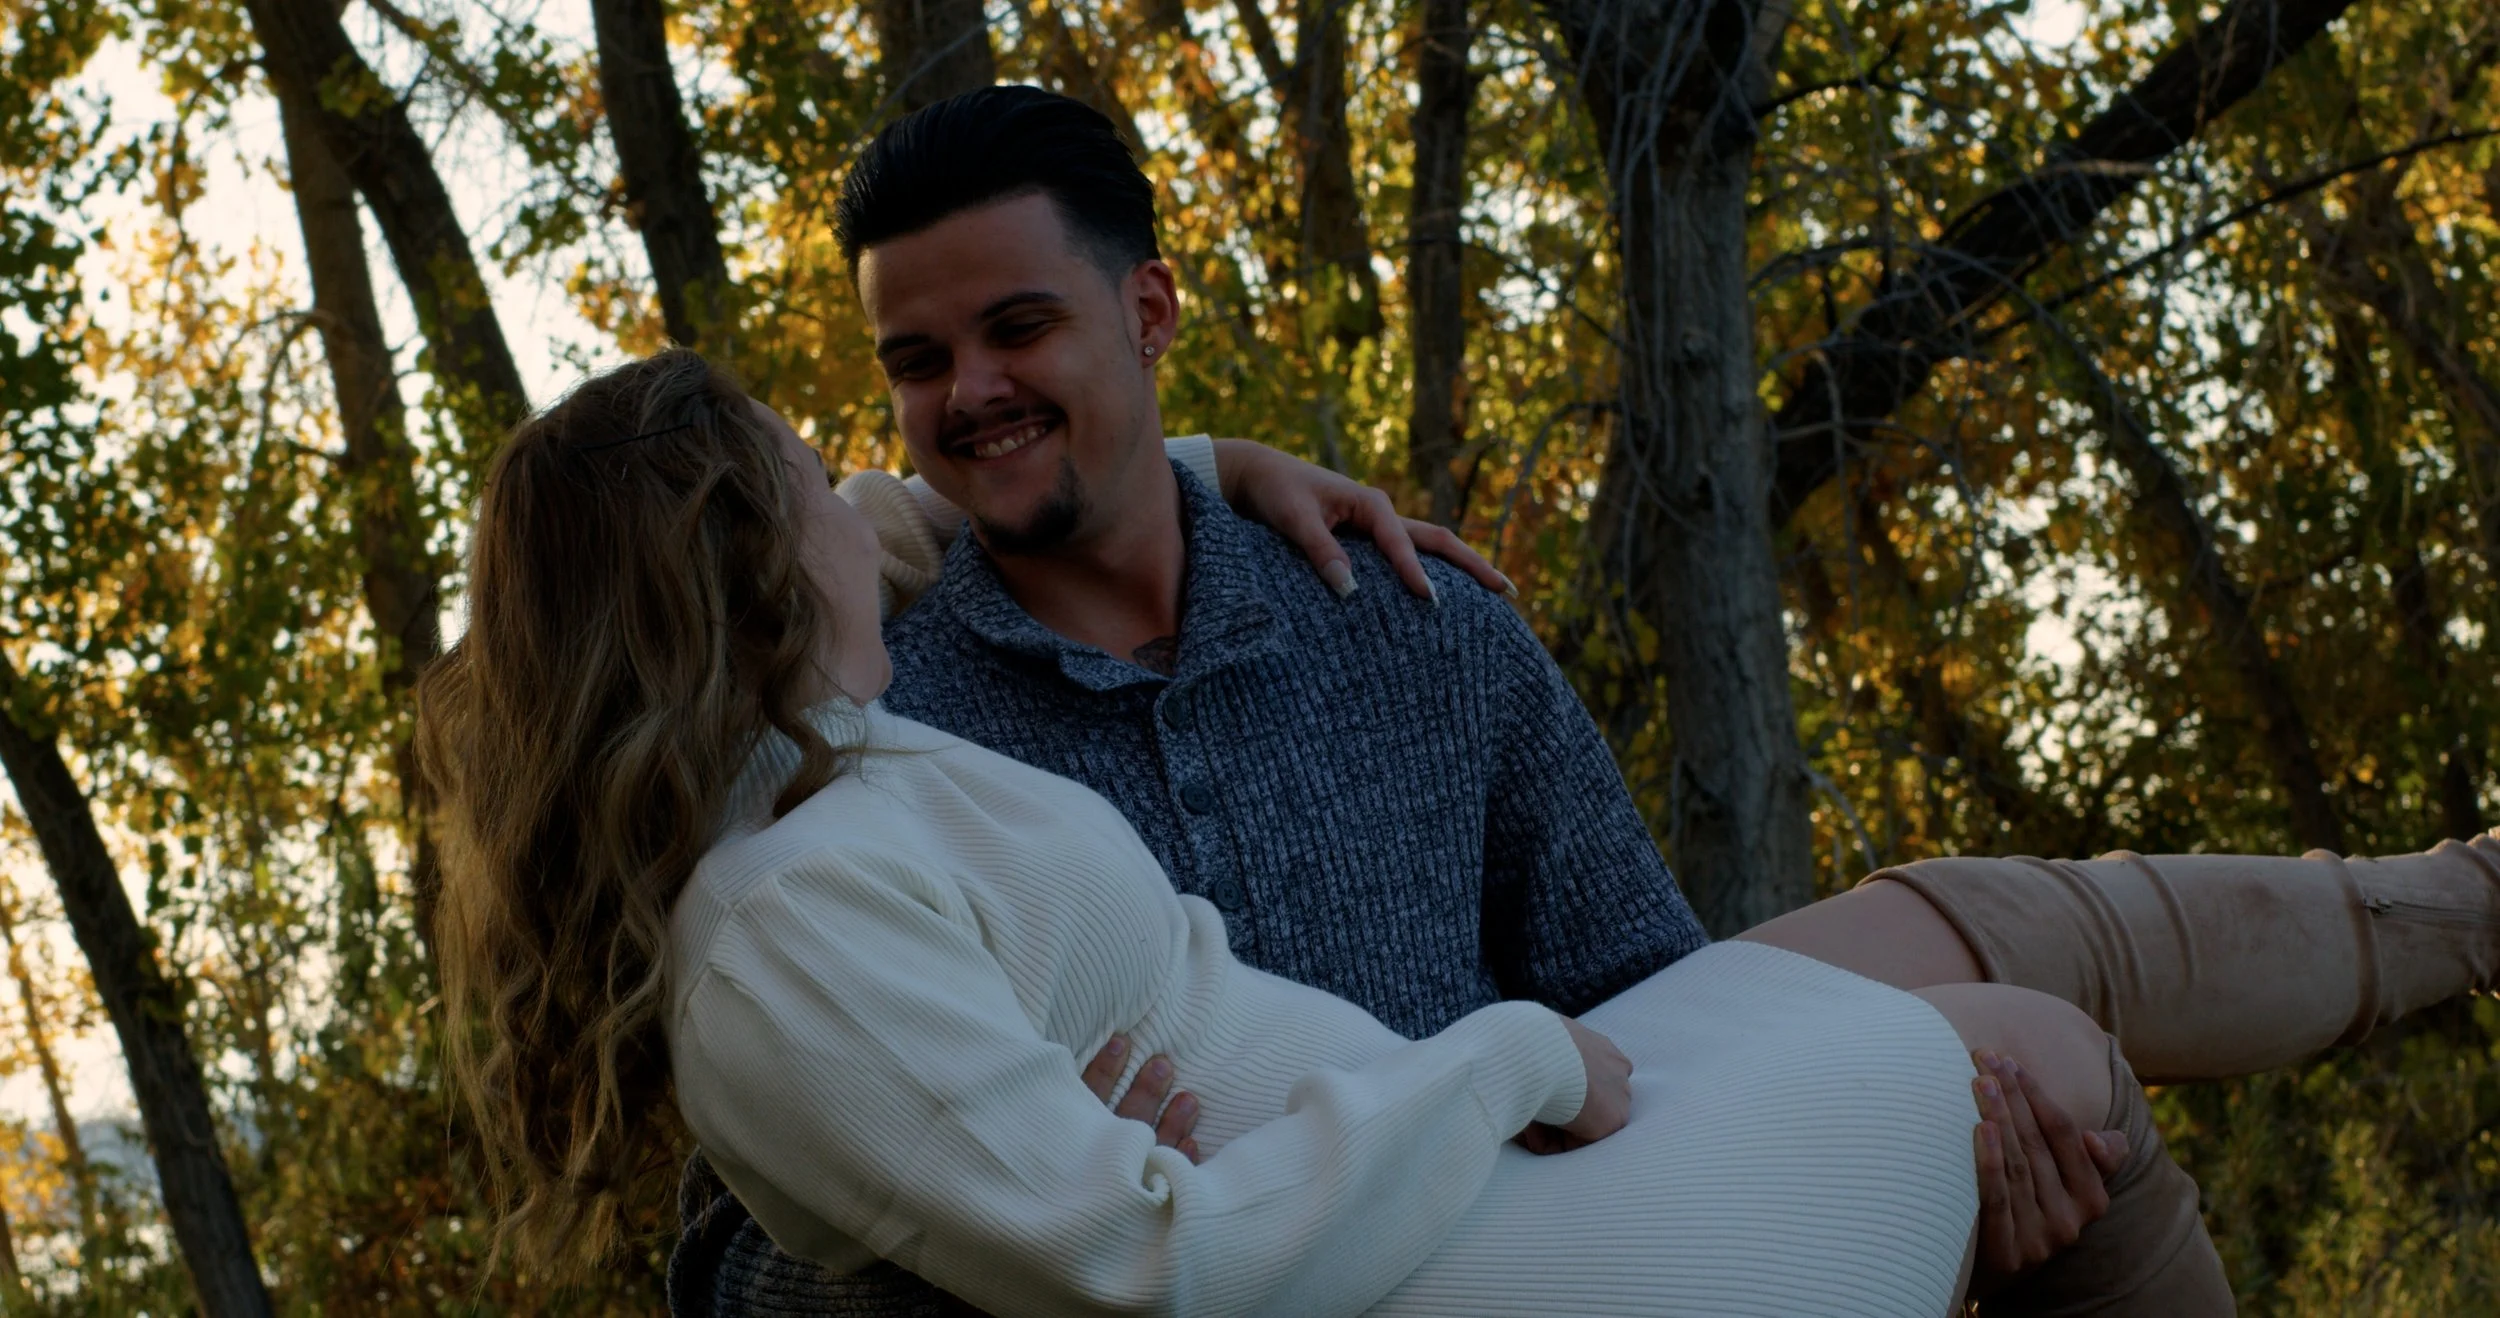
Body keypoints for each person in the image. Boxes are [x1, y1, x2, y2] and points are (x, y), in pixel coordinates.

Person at [429, 87, 2500, 1315]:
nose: (961, 392)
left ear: (1147, 314)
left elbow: (1633, 976)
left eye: (1015, 327)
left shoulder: (1393, 612)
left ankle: (2469, 900)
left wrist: (1228, 473)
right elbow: (743, 1231)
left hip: (1530, 1127)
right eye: (909, 359)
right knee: (2042, 1033)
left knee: (2016, 960)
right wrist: (978, 1226)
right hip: (1306, 1235)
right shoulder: (878, 718)